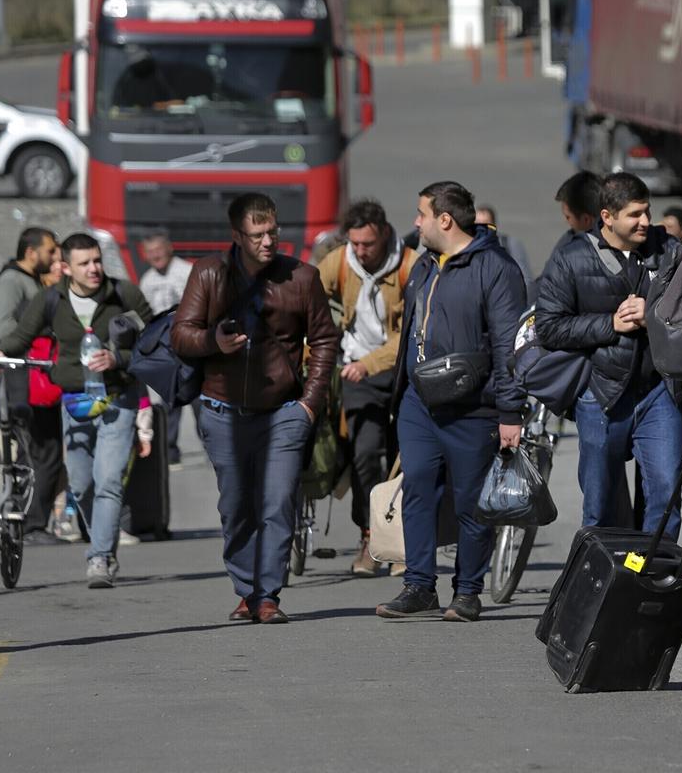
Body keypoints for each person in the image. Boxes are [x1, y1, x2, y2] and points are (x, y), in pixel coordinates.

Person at [172, 194, 340, 623]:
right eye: (257, 235)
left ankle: (267, 596)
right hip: (222, 411)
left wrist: (310, 403)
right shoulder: (209, 273)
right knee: (237, 505)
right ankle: (246, 589)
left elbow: (324, 340)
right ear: (236, 236)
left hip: (284, 411)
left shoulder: (301, 277)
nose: (268, 242)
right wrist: (214, 342)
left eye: (273, 232)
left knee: (277, 501)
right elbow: (181, 334)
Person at [377, 181, 526, 623]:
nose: (416, 222)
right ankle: (419, 584)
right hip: (418, 402)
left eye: (421, 214)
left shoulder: (496, 268)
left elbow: (508, 344)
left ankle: (467, 591)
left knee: (470, 501)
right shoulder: (424, 265)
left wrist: (510, 411)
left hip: (472, 405)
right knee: (418, 486)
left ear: (445, 219)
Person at [0, 233, 154, 587]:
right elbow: (19, 338)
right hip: (75, 401)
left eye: (97, 260)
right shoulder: (50, 298)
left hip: (119, 397)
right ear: (66, 267)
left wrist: (119, 358)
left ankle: (100, 557)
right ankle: (103, 541)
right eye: (84, 263)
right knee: (81, 486)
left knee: (109, 480)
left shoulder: (123, 292)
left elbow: (158, 337)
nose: (94, 269)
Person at [535, 172, 682, 534]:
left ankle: (650, 579)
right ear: (607, 217)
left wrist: (652, 315)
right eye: (635, 215)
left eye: (648, 212)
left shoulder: (670, 251)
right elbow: (549, 328)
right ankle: (601, 584)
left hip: (657, 393)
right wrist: (609, 324)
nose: (646, 222)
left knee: (665, 496)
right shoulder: (570, 259)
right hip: (600, 396)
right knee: (599, 508)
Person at [318, 199, 416, 576]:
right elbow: (309, 297)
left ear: (385, 234)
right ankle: (368, 537)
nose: (360, 251)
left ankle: (398, 543)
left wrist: (369, 364)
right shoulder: (341, 261)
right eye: (355, 243)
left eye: (367, 244)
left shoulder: (408, 265)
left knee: (402, 457)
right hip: (355, 374)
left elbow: (408, 334)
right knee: (364, 456)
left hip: (398, 370)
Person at [0, 227, 65, 544]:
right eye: (49, 251)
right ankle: (31, 526)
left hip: (39, 379)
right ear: (31, 252)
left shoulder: (32, 281)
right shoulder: (12, 282)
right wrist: (43, 326)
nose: (53, 258)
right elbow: (3, 327)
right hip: (23, 381)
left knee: (42, 451)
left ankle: (27, 523)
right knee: (38, 452)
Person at [136, 230, 194, 463]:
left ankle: (213, 446)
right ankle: (169, 450)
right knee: (169, 400)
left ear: (169, 248)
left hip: (189, 346)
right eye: (150, 252)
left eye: (159, 250)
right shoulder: (147, 280)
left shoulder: (186, 272)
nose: (155, 255)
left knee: (199, 400)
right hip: (165, 350)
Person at [474, 204, 533, 285]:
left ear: (494, 225)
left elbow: (525, 277)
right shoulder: (466, 247)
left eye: (486, 224)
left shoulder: (510, 244)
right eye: (477, 224)